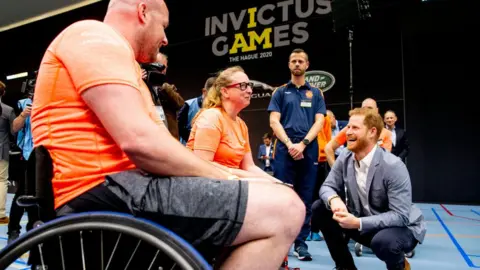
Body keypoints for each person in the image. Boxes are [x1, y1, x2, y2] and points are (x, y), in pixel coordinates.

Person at [30, 0, 305, 268]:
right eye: (163, 26)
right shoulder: (94, 35)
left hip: (120, 186)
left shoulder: (120, 58)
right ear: (142, 12)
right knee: (287, 210)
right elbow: (141, 142)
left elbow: (153, 145)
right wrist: (229, 177)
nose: (164, 38)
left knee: (272, 194)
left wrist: (245, 178)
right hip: (105, 190)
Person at [311, 107, 426, 270]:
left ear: (372, 132)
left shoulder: (393, 166)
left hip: (400, 228)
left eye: (355, 128)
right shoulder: (345, 156)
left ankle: (400, 265)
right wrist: (334, 199)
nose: (348, 132)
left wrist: (357, 222)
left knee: (385, 243)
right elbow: (327, 186)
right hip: (363, 220)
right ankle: (345, 267)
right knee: (320, 208)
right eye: (348, 127)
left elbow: (400, 216)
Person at [268, 48, 326, 261]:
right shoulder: (280, 92)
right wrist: (290, 144)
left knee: (305, 198)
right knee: (283, 198)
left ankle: (300, 244)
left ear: (307, 65)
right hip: (284, 150)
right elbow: (274, 121)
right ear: (289, 65)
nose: (297, 64)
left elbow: (320, 121)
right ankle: (280, 244)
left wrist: (303, 144)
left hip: (308, 150)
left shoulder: (317, 93)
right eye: (293, 61)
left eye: (301, 61)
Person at [187, 66, 280, 183]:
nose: (250, 91)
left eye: (249, 85)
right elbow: (203, 165)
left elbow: (249, 167)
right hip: (207, 185)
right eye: (243, 86)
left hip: (231, 184)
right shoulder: (211, 117)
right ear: (225, 92)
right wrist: (254, 179)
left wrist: (277, 182)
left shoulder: (241, 124)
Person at [325, 98, 392, 167]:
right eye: (363, 108)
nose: (367, 111)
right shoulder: (350, 129)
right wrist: (336, 172)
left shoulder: (386, 133)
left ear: (376, 110)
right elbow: (328, 148)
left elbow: (384, 159)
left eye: (370, 108)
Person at [7, 89, 37, 243]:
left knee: (40, 196)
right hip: (27, 156)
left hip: (49, 156)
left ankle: (34, 230)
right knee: (22, 194)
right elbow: (14, 128)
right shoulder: (23, 105)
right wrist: (23, 115)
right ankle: (13, 230)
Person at [178, 77, 216, 144]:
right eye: (212, 95)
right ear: (204, 91)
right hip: (187, 147)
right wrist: (193, 140)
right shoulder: (188, 105)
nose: (215, 98)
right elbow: (179, 127)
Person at [0, 81, 16, 225]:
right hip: (2, 151)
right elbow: (14, 131)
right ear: (3, 93)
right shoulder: (7, 110)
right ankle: (0, 215)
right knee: (1, 181)